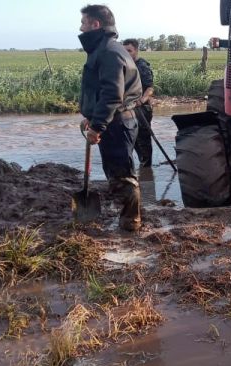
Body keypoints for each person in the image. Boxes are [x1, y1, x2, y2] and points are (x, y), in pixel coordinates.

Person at [78, 4, 143, 232]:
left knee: (122, 177)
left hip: (117, 123)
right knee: (118, 173)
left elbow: (111, 94)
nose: (81, 27)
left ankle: (130, 225)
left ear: (96, 24)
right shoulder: (106, 48)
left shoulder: (108, 52)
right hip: (115, 121)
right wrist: (92, 117)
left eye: (84, 23)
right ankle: (129, 218)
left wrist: (97, 126)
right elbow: (100, 91)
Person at [122, 38, 155, 168]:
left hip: (142, 108)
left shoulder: (142, 66)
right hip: (128, 107)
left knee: (143, 138)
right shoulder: (124, 66)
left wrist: (141, 100)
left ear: (136, 50)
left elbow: (150, 88)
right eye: (124, 51)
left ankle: (147, 167)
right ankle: (142, 163)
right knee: (131, 137)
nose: (126, 53)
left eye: (129, 51)